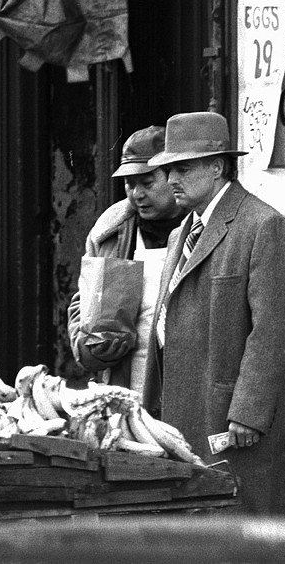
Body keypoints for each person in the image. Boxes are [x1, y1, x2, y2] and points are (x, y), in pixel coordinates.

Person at [143, 111, 285, 516]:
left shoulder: (264, 226)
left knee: (248, 531)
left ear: (217, 167)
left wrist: (248, 414)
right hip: (184, 412)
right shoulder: (180, 233)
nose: (171, 181)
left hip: (233, 422)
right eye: (167, 170)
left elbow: (272, 330)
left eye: (182, 168)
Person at [68, 126, 185, 393]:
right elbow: (83, 303)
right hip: (126, 384)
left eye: (147, 182)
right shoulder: (110, 229)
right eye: (129, 184)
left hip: (183, 384)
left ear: (174, 176)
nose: (137, 194)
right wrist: (91, 349)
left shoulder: (200, 226)